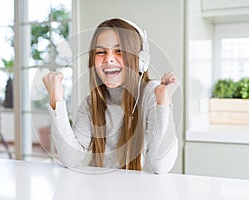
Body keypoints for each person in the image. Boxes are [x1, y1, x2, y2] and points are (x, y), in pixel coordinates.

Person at [43, 18, 179, 174]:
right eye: (101, 52)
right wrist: (56, 100)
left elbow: (160, 166)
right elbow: (71, 159)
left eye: (119, 51)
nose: (109, 58)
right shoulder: (92, 102)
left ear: (141, 60)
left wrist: (163, 102)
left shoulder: (152, 94)